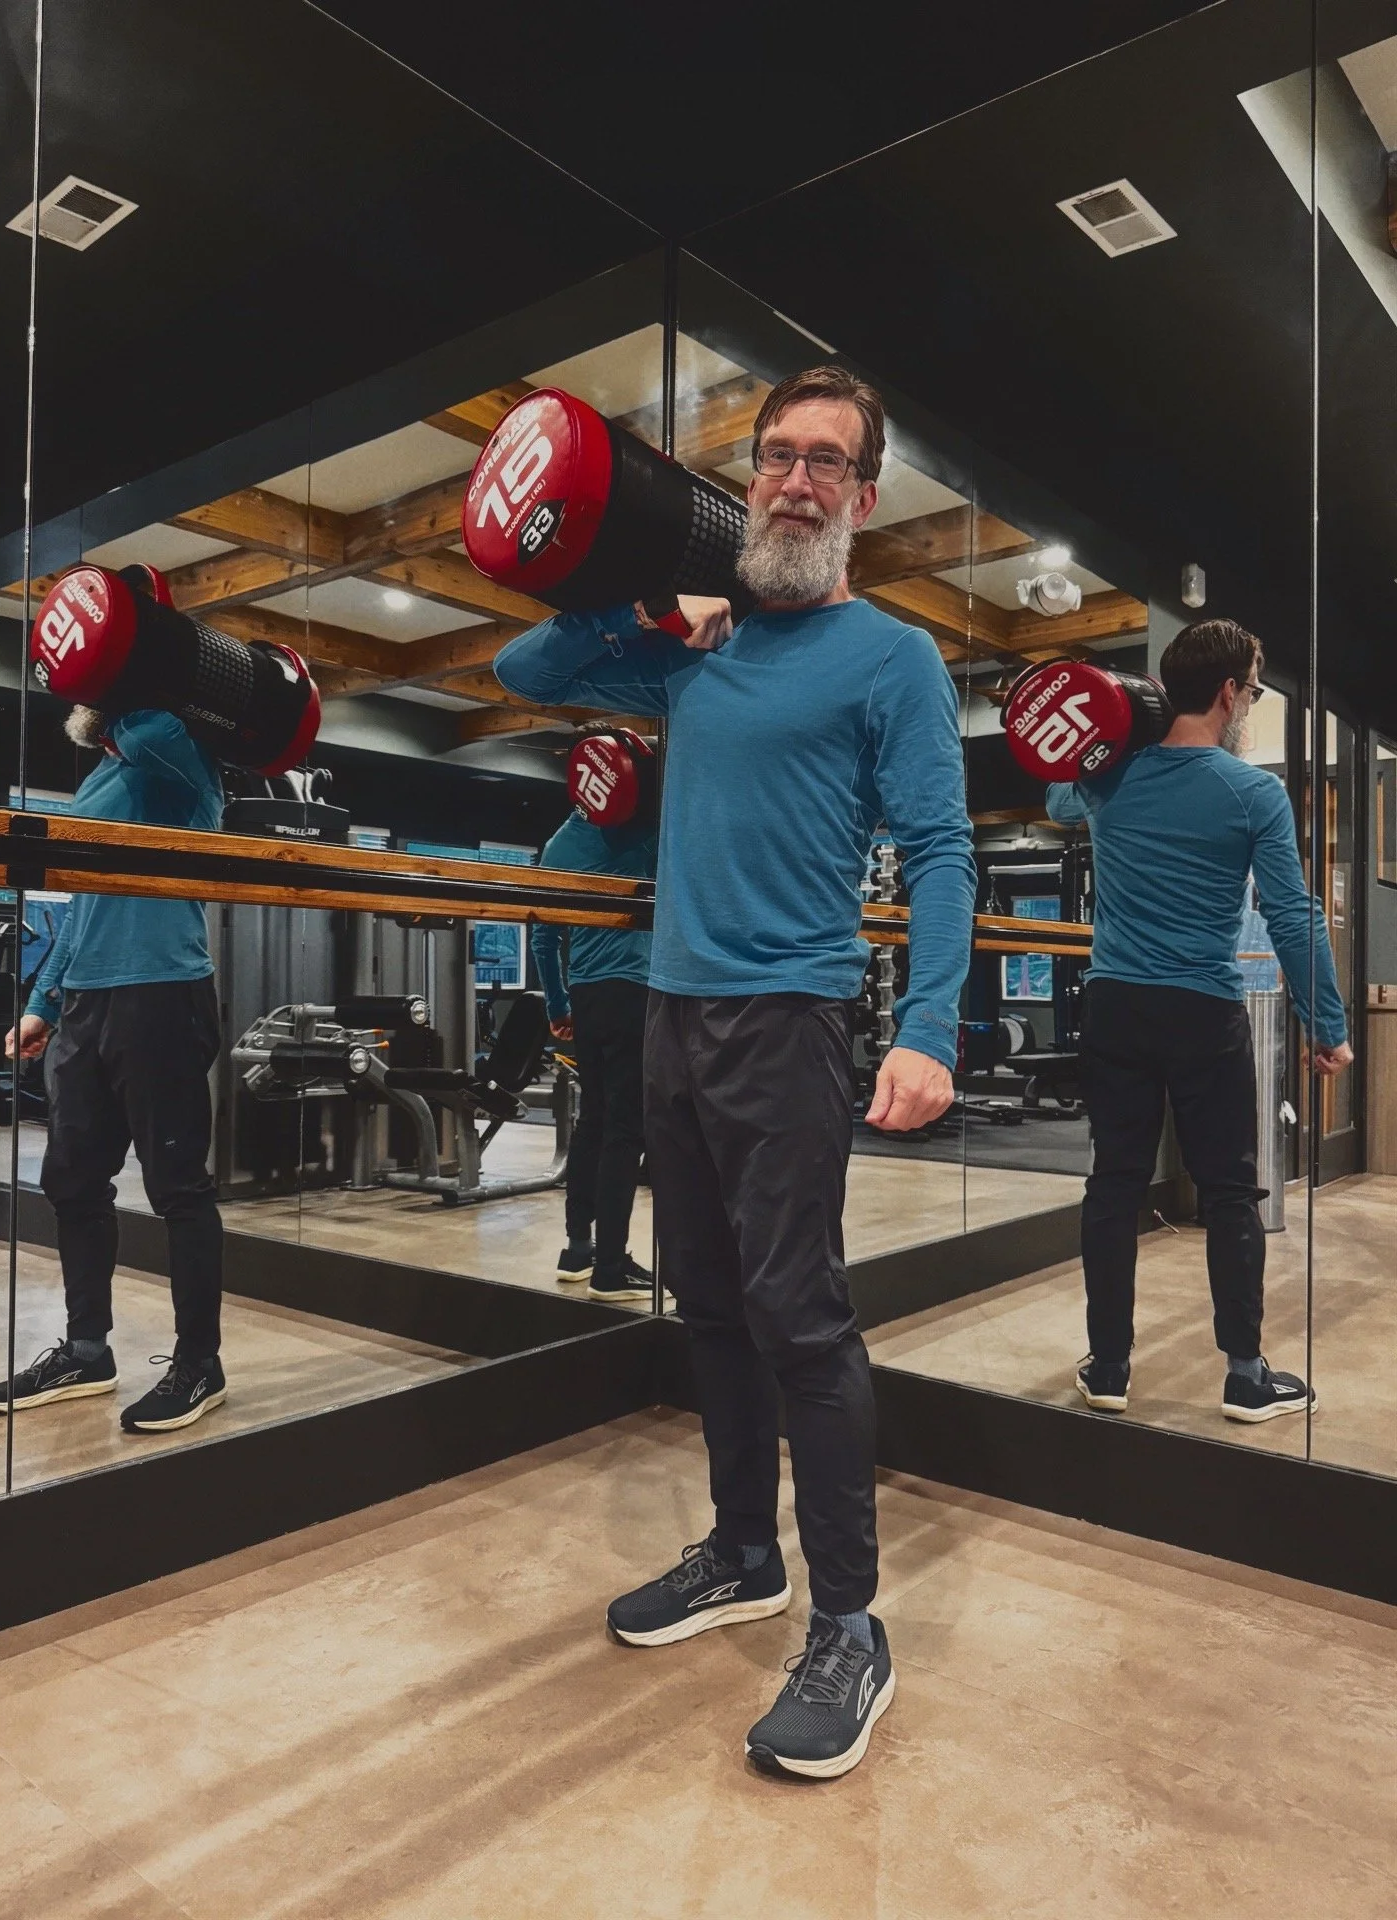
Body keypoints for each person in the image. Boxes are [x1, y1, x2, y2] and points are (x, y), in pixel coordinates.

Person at [495, 365, 976, 1780]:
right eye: (777, 456)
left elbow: (943, 853)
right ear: (750, 479)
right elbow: (529, 673)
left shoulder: (890, 658)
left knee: (797, 1317)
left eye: (829, 462)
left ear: (865, 500)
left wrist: (933, 1024)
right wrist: (645, 608)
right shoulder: (694, 654)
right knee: (705, 1301)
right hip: (671, 1013)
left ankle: (848, 1625)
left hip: (789, 1021)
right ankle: (743, 1552)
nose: (797, 480)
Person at [1047, 620, 1352, 1424]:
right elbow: (1293, 917)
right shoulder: (1250, 792)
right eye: (1251, 689)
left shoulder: (1111, 776)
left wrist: (1112, 731)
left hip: (1114, 1005)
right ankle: (1244, 1376)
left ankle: (1109, 1369)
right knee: (1227, 1194)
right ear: (1228, 694)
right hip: (1202, 1010)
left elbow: (1052, 787)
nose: (1249, 701)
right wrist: (1327, 1024)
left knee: (1113, 1184)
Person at [0, 705, 229, 1435]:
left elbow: (158, 730)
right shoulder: (99, 782)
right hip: (85, 1003)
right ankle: (88, 1351)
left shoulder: (177, 762)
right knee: (72, 1182)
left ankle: (200, 1364)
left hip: (163, 992)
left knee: (178, 1187)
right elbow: (83, 908)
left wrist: (124, 685)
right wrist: (43, 1003)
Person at [532, 738, 659, 1302]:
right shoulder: (650, 830)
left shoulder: (559, 843)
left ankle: (577, 1248)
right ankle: (611, 1266)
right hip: (636, 995)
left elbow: (542, 934)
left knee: (594, 1123)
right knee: (624, 1131)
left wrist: (559, 1005)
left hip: (586, 996)